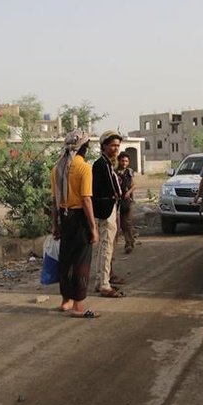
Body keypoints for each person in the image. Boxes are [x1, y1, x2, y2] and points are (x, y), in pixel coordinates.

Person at [50, 130, 100, 317]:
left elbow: (54, 200)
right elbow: (86, 199)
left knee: (66, 259)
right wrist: (93, 228)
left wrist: (55, 225)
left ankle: (66, 300)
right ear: (84, 148)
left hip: (64, 217)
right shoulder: (84, 168)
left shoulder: (57, 168)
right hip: (79, 218)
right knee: (81, 261)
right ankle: (78, 305)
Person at [92, 130, 124, 298]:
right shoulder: (100, 164)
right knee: (106, 247)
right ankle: (104, 284)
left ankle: (100, 281)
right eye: (112, 145)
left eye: (117, 146)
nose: (115, 149)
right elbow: (93, 191)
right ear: (104, 146)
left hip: (111, 207)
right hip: (105, 209)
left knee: (107, 246)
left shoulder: (108, 163)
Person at [116, 151, 136, 254]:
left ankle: (129, 243)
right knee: (122, 224)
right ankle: (129, 241)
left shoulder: (129, 172)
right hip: (118, 201)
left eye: (126, 161)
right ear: (119, 161)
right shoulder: (115, 172)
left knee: (127, 222)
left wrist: (129, 192)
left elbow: (134, 185)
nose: (124, 163)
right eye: (123, 160)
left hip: (127, 200)